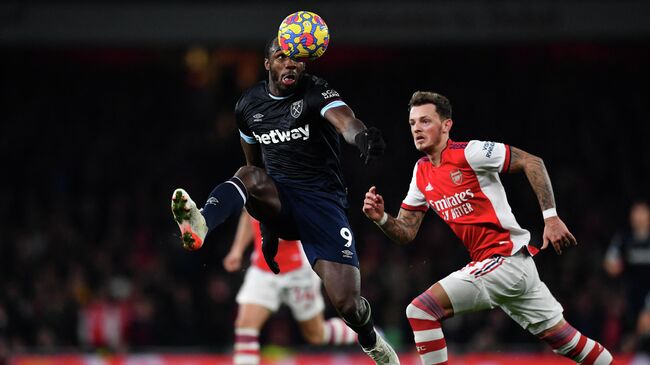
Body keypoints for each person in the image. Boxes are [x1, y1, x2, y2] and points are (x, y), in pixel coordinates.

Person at [171, 37, 399, 364]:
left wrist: (360, 136)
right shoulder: (248, 106)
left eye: (296, 59)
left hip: (322, 207)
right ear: (268, 64)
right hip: (281, 202)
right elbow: (255, 168)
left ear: (304, 65)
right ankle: (202, 221)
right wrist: (268, 229)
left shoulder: (315, 91)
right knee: (247, 175)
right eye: (281, 57)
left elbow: (345, 120)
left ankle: (371, 340)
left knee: (347, 303)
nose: (289, 63)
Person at [362, 91, 614, 365]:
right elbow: (407, 231)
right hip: (510, 267)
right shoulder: (421, 172)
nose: (417, 129)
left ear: (446, 125)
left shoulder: (470, 152)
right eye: (412, 123)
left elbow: (532, 162)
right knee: (567, 342)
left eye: (425, 121)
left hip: (504, 260)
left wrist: (551, 218)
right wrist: (382, 218)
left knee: (421, 310)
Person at [223, 209, 357, 365]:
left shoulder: (290, 187)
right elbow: (248, 214)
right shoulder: (249, 187)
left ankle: (363, 333)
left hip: (298, 272)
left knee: (316, 335)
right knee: (245, 326)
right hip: (263, 269)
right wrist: (237, 250)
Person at [604, 201, 650, 351]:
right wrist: (612, 266)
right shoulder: (624, 238)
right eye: (635, 213)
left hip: (648, 298)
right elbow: (610, 261)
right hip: (630, 298)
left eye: (642, 213)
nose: (639, 217)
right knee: (627, 342)